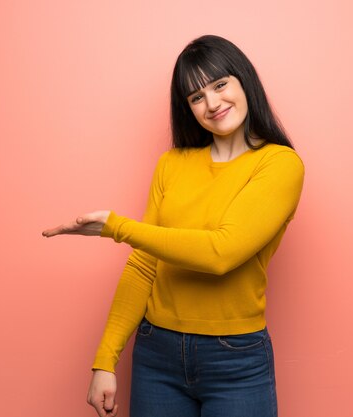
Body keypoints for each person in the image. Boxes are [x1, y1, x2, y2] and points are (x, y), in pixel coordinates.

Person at [42, 34, 305, 417]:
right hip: (156, 354)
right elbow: (144, 264)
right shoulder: (172, 163)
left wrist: (117, 227)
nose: (212, 103)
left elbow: (221, 253)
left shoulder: (280, 164)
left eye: (220, 85)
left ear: (244, 81)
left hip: (235, 360)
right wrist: (104, 360)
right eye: (196, 97)